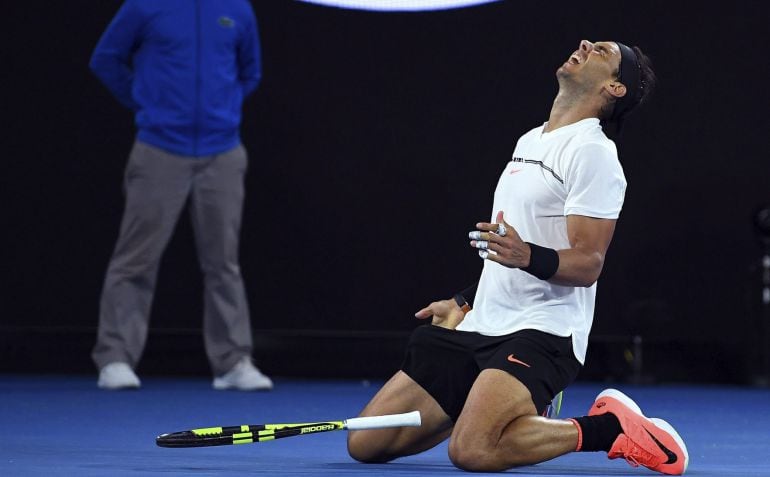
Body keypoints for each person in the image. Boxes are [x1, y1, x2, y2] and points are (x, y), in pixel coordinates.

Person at [347, 40, 688, 475]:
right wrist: (464, 302)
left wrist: (528, 255)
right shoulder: (530, 139)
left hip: (543, 332)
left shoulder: (594, 154)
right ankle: (496, 410)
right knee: (366, 442)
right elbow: (508, 254)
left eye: (602, 51)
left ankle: (609, 428)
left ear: (614, 88)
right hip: (481, 323)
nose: (584, 45)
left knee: (471, 451)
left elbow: (588, 264)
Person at [89, 0, 272, 391]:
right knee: (135, 259)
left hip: (222, 151)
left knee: (224, 263)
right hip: (159, 148)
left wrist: (223, 111)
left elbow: (250, 72)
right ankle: (116, 358)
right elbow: (105, 59)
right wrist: (147, 103)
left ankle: (232, 362)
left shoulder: (236, 8)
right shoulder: (144, 5)